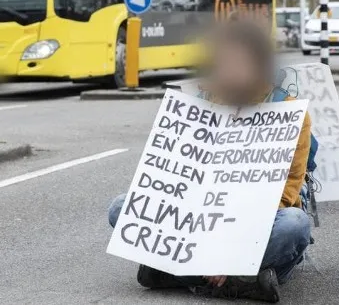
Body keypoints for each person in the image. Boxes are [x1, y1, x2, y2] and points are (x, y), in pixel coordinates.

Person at [107, 16, 313, 302]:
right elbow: (179, 174)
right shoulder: (203, 103)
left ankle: (178, 273)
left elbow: (289, 189)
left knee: (295, 225)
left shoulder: (292, 113)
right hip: (201, 219)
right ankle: (242, 282)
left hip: (257, 220)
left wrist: (230, 249)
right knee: (121, 207)